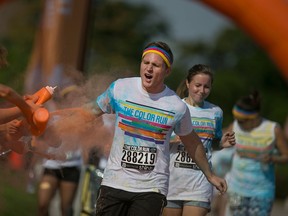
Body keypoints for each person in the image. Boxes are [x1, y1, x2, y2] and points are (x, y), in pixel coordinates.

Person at [45, 41, 227, 216]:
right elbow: (89, 112)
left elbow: (192, 142)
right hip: (115, 182)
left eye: (155, 65)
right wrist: (55, 127)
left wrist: (210, 175)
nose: (148, 68)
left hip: (151, 188)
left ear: (167, 70)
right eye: (145, 62)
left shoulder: (176, 106)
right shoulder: (121, 89)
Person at [163, 64, 235, 216]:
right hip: (172, 182)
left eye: (206, 87)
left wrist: (221, 143)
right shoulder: (174, 107)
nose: (201, 91)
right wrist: (173, 139)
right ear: (188, 83)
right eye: (197, 85)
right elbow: (157, 138)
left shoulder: (215, 112)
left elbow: (211, 143)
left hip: (199, 183)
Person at [225, 90, 288, 216]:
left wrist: (273, 158)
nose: (239, 124)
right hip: (236, 189)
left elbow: (286, 156)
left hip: (262, 190)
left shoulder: (273, 129)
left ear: (255, 117)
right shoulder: (234, 126)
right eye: (236, 119)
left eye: (242, 121)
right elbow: (223, 145)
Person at [35, 85, 84, 216]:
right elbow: (39, 138)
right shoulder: (53, 117)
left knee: (66, 208)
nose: (72, 100)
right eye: (69, 97)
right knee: (42, 204)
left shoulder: (83, 120)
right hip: (51, 166)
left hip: (71, 167)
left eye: (76, 97)